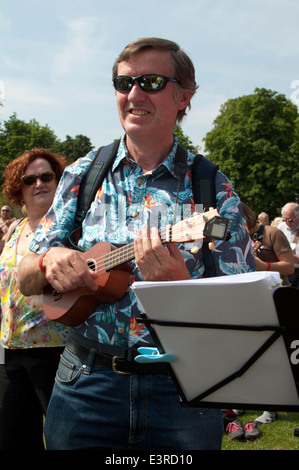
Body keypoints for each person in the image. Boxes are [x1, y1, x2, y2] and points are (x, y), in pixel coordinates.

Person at [18, 37, 255, 451]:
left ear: (184, 97)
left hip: (180, 390)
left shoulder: (212, 190)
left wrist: (181, 287)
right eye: (123, 83)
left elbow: (244, 310)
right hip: (83, 383)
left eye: (151, 81)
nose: (133, 94)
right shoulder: (83, 173)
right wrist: (49, 259)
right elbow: (25, 279)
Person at [0, 148, 69, 450]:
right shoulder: (13, 229)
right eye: (30, 179)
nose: (39, 183)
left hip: (53, 350)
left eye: (47, 176)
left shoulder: (70, 230)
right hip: (8, 350)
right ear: (19, 188)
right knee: (11, 437)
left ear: (58, 182)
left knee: (62, 439)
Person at [241, 202, 294, 427]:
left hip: (276, 299)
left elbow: (290, 267)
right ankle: (241, 399)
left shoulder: (273, 233)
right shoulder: (235, 237)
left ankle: (270, 408)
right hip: (249, 298)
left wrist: (264, 265)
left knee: (272, 355)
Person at [277, 202, 299, 289]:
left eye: (290, 220)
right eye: (284, 219)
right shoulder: (280, 228)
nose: (287, 223)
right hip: (285, 273)